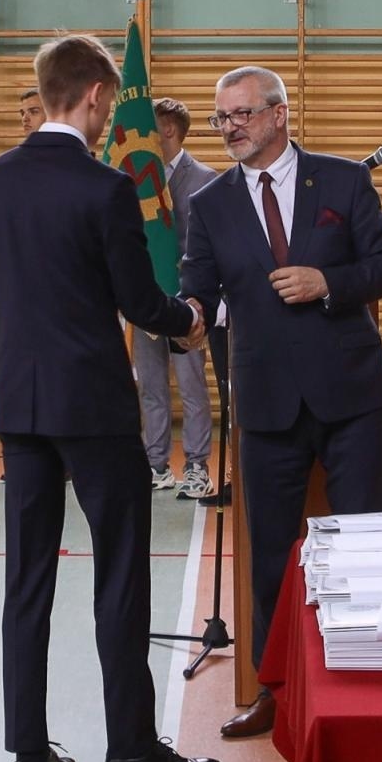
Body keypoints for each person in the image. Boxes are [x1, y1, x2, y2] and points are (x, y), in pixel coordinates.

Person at [0, 33, 222, 762]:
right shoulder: (105, 187)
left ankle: (28, 755)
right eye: (108, 104)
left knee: (26, 578)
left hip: (23, 406)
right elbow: (139, 302)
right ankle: (130, 753)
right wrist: (190, 320)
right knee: (119, 572)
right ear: (96, 98)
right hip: (96, 410)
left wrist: (18, 381)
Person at [180, 66, 382, 739]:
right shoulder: (212, 203)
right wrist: (185, 314)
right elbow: (198, 286)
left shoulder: (342, 180)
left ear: (280, 114)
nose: (230, 129)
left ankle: (372, 684)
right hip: (266, 404)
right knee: (273, 556)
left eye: (243, 114)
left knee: (369, 545)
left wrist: (327, 282)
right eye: (222, 119)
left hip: (352, 397)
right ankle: (274, 692)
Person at [133, 97, 218, 499]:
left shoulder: (204, 178)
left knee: (191, 384)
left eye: (150, 126)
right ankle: (156, 464)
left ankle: (198, 465)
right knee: (150, 384)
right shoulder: (137, 180)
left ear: (168, 130)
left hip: (188, 303)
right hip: (146, 299)